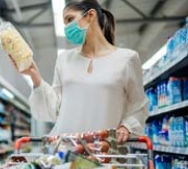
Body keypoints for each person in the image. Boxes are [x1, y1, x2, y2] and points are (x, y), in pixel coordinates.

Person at [10, 0, 148, 143]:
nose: (67, 28)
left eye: (70, 19)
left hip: (106, 152)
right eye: (65, 23)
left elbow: (138, 106)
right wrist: (34, 75)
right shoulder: (64, 59)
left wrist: (127, 127)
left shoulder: (127, 59)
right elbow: (54, 109)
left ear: (90, 15)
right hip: (67, 151)